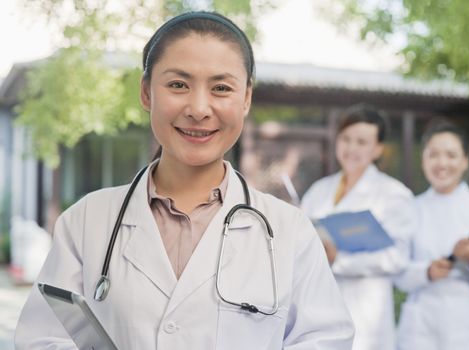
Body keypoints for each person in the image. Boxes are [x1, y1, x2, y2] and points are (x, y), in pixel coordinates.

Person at [15, 11, 354, 349]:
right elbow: (42, 338)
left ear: (246, 98)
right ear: (147, 92)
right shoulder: (87, 221)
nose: (199, 108)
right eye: (178, 84)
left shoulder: (289, 231)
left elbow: (324, 340)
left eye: (221, 88)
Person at [301, 105, 417, 350]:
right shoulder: (319, 190)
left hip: (366, 316)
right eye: (346, 139)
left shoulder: (394, 194)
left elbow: (397, 257)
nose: (351, 148)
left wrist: (338, 259)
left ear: (377, 149)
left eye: (362, 142)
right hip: (316, 310)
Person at [395, 120, 469, 350]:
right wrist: (426, 272)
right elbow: (397, 271)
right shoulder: (408, 209)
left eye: (451, 155)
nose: (442, 163)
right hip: (422, 326)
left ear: (465, 162)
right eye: (433, 155)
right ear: (423, 161)